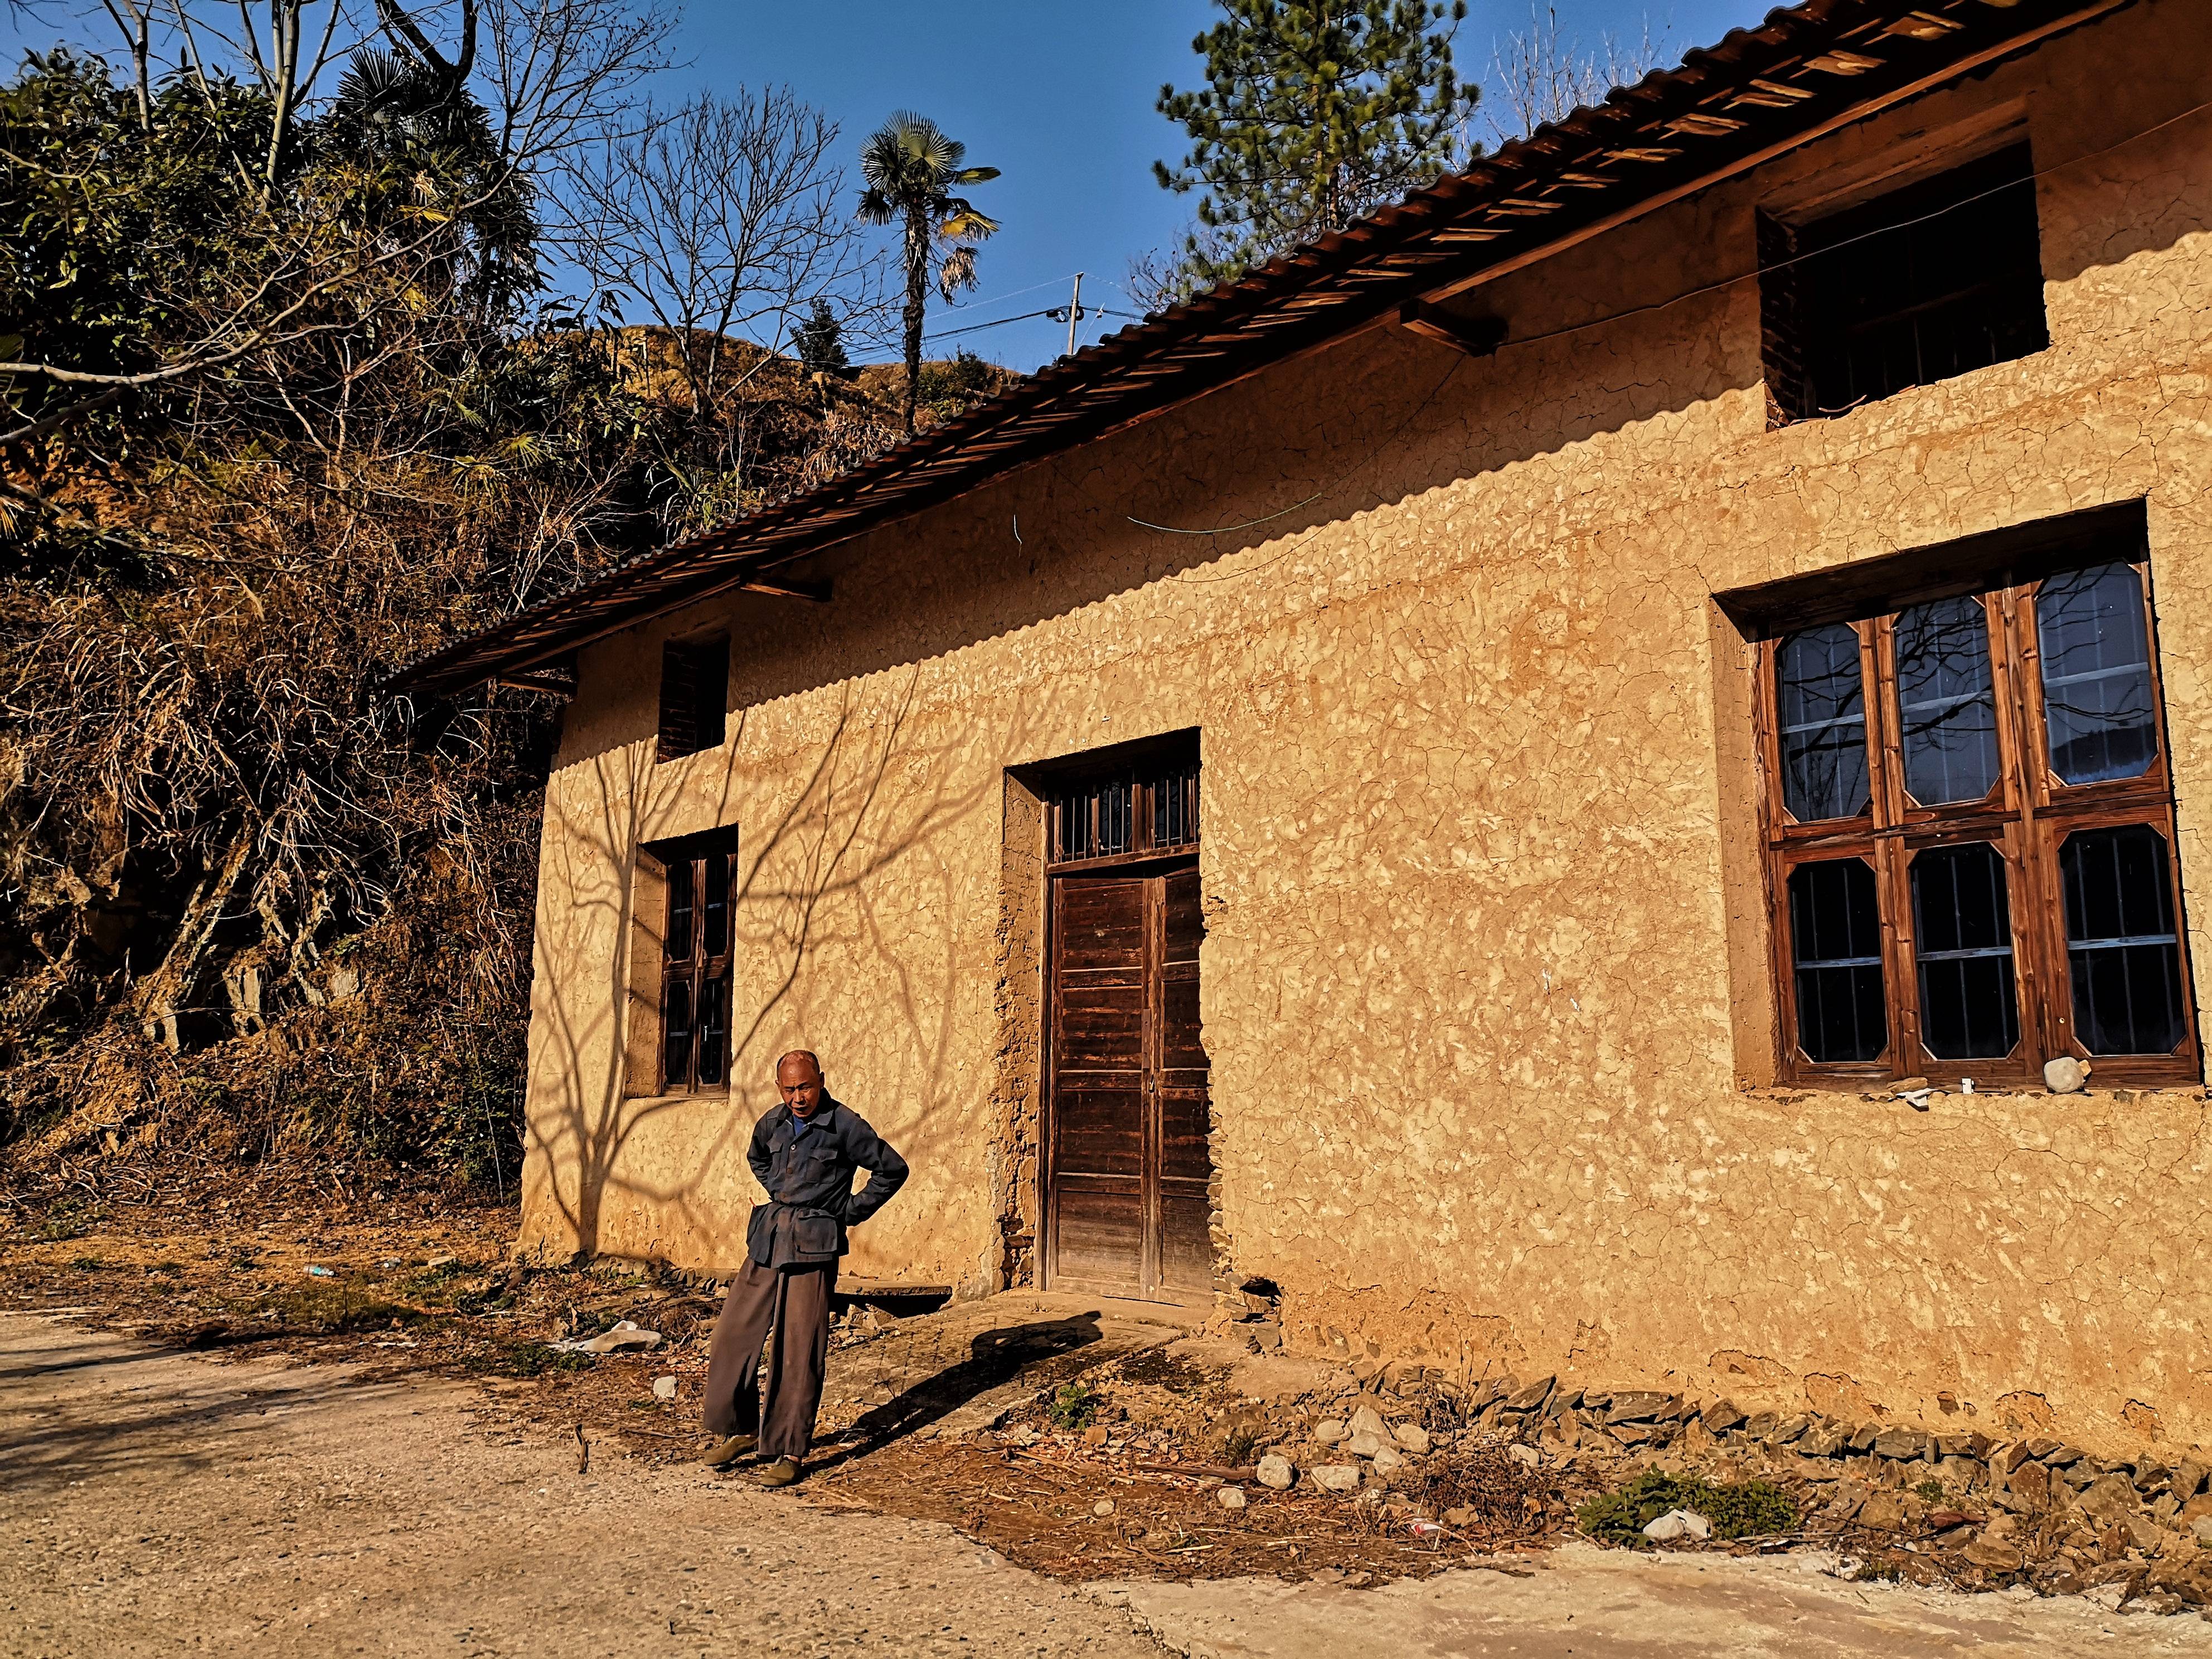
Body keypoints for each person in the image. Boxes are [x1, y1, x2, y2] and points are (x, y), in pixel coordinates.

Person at [699, 1049, 908, 1487]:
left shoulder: (845, 1125)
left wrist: (849, 1211)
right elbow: (758, 1157)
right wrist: (777, 1188)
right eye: (790, 1089)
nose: (798, 1097)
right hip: (769, 1239)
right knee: (732, 1338)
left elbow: (892, 1169)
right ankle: (743, 1430)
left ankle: (788, 1450)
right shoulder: (772, 1123)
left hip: (814, 1247)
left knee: (798, 1351)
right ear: (780, 1089)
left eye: (806, 1087)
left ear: (821, 1081)